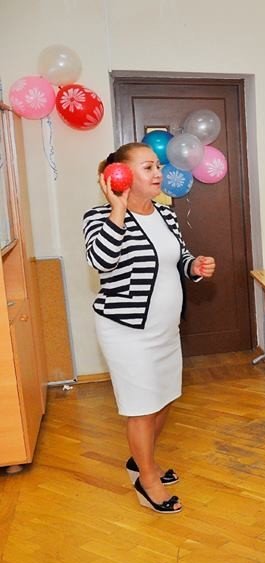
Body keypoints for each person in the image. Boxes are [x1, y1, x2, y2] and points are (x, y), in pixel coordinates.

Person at [83, 142, 216, 514]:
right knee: (142, 407)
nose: (158, 173)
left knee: (164, 398)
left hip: (165, 329)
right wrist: (118, 209)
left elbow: (177, 256)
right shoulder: (98, 217)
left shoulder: (166, 214)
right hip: (126, 331)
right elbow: (101, 261)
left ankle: (141, 461)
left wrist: (194, 266)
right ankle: (147, 480)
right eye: (148, 167)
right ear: (121, 175)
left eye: (158, 166)